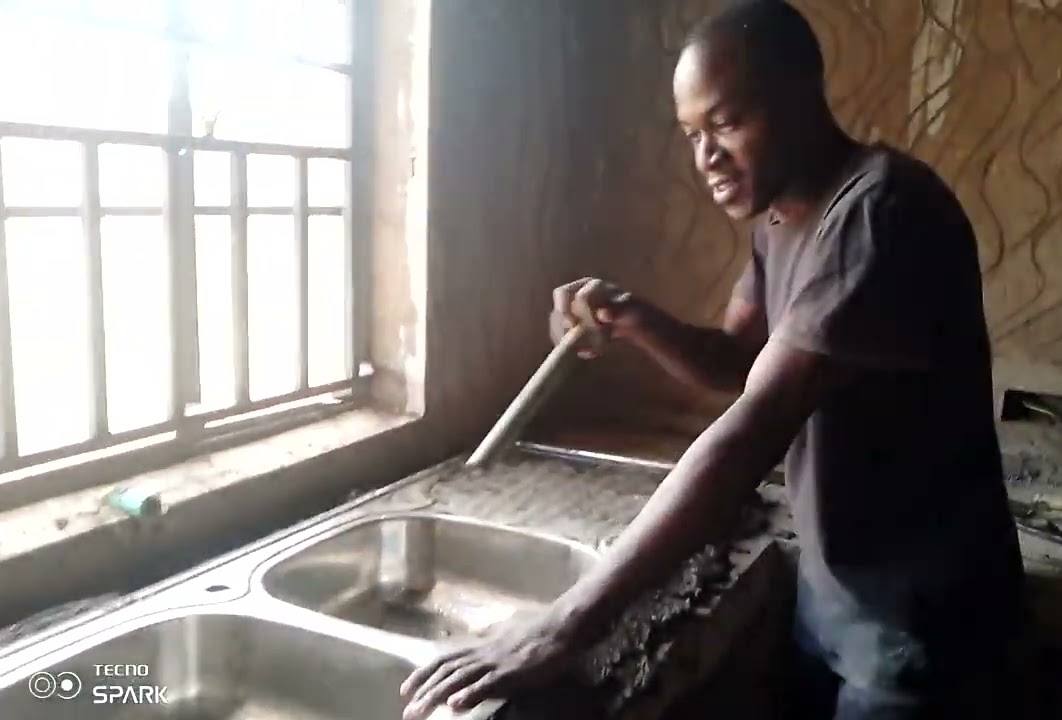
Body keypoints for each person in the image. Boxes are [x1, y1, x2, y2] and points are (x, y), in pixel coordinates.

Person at [401, 1, 1027, 718]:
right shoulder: (784, 219)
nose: (707, 159)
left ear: (803, 97)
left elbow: (751, 428)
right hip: (836, 594)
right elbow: (739, 363)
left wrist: (565, 622)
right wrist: (637, 318)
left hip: (919, 624)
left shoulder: (878, 213)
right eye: (692, 134)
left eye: (727, 123)